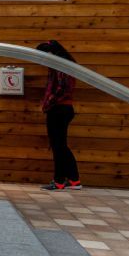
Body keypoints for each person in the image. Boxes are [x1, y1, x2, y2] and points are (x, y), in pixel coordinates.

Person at [38, 40, 80, 190]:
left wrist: (47, 103)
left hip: (58, 109)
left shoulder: (60, 67)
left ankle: (59, 181)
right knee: (61, 146)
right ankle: (74, 180)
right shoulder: (64, 65)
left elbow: (61, 90)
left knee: (57, 146)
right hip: (65, 109)